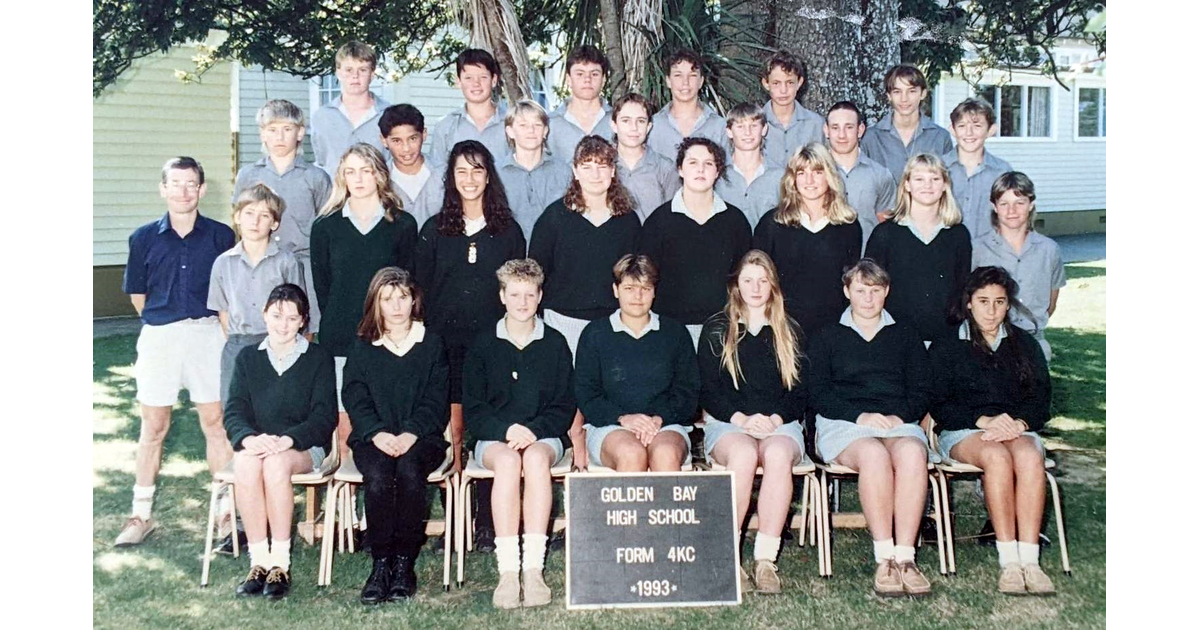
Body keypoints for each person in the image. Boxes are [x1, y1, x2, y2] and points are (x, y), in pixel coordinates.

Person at [116, 157, 236, 547]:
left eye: (191, 184)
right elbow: (138, 296)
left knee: (215, 424)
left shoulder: (221, 237)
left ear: (202, 190)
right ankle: (141, 515)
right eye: (176, 183)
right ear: (163, 188)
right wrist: (166, 323)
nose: (184, 191)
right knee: (153, 428)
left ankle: (225, 512)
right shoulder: (143, 238)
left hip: (206, 336)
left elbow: (227, 297)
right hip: (160, 338)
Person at [415, 140, 527, 549]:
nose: (469, 179)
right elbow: (420, 291)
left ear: (488, 176)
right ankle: (455, 520)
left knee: (486, 428)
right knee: (451, 433)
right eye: (461, 171)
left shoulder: (508, 232)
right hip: (445, 346)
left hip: (494, 348)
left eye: (477, 170)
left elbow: (519, 292)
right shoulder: (435, 230)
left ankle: (485, 523)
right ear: (451, 178)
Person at [807, 259, 935, 597]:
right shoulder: (826, 335)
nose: (868, 298)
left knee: (911, 452)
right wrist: (860, 417)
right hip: (844, 424)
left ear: (886, 292)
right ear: (847, 291)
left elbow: (921, 390)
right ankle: (885, 559)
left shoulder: (905, 335)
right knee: (874, 456)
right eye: (860, 290)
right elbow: (817, 392)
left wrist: (899, 416)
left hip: (896, 422)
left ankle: (906, 558)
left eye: (875, 291)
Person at [929, 266, 1055, 595]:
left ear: (1008, 305)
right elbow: (938, 403)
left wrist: (1020, 423)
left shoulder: (1024, 344)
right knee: (997, 458)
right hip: (963, 430)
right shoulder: (948, 344)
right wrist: (982, 420)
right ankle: (1009, 562)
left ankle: (1030, 560)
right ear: (968, 303)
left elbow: (1041, 399)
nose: (991, 309)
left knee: (1029, 456)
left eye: (999, 302)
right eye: (983, 301)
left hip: (1014, 429)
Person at [463, 259, 575, 609]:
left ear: (540, 296)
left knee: (537, 459)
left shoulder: (555, 343)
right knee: (510, 462)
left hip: (543, 435)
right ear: (502, 296)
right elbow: (474, 408)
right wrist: (506, 429)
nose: (522, 302)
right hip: (496, 439)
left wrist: (534, 431)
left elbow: (563, 404)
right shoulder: (483, 343)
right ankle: (509, 571)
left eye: (530, 294)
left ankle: (534, 569)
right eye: (515, 294)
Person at [698, 250, 808, 594]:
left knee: (776, 456)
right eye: (748, 280)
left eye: (763, 280)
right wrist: (741, 419)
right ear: (736, 285)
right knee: (744, 456)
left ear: (773, 284)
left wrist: (775, 418)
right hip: (729, 423)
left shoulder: (789, 329)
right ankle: (728, 557)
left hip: (781, 424)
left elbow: (802, 391)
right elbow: (708, 389)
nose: (756, 288)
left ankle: (765, 560)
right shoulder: (717, 328)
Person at [343, 268, 450, 603]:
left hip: (421, 439)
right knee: (377, 477)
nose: (396, 306)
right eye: (387, 299)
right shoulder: (363, 345)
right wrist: (375, 432)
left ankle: (404, 563)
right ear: (376, 303)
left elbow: (437, 398)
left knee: (407, 473)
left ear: (413, 298)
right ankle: (380, 564)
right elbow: (354, 396)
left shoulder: (430, 343)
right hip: (373, 438)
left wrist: (412, 433)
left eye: (402, 297)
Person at [224, 284, 336, 599]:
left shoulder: (317, 357)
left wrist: (289, 439)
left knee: (275, 466)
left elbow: (324, 416)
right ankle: (258, 562)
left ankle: (280, 564)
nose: (282, 324)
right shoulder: (248, 358)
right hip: (258, 444)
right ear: (264, 315)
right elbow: (234, 410)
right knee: (245, 464)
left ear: (303, 321)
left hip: (301, 445)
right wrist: (248, 439)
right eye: (276, 316)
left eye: (291, 318)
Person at [311, 143, 417, 457]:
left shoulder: (401, 224)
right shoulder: (326, 227)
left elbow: (409, 284)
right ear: (342, 177)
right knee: (346, 422)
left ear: (379, 174)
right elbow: (324, 288)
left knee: (387, 421)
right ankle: (347, 500)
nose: (358, 179)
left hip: (389, 338)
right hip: (342, 336)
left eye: (366, 171)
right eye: (350, 172)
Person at [574, 255, 699, 471]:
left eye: (645, 288)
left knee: (665, 454)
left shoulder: (675, 332)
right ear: (616, 290)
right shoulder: (595, 333)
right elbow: (587, 395)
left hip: (665, 425)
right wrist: (623, 418)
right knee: (632, 454)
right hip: (610, 426)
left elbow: (688, 391)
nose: (638, 296)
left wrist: (659, 419)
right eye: (629, 288)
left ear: (654, 291)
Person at [529, 135, 642, 358]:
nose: (595, 174)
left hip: (614, 320)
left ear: (612, 171)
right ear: (575, 171)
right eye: (587, 166)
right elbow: (537, 272)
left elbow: (635, 275)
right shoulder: (554, 217)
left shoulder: (628, 220)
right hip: (563, 320)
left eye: (602, 166)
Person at [640, 137, 752, 348]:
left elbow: (743, 278)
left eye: (708, 163)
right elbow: (646, 279)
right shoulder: (659, 221)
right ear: (680, 169)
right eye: (692, 162)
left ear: (717, 172)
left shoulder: (735, 221)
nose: (700, 169)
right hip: (670, 330)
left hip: (724, 329)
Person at [233, 99, 332, 332]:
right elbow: (240, 223)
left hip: (304, 266)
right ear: (262, 134)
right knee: (260, 331)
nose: (279, 137)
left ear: (300, 133)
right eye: (272, 130)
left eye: (287, 130)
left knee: (302, 332)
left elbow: (327, 230)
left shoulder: (316, 177)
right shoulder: (248, 175)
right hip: (261, 266)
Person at [209, 184, 305, 402]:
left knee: (277, 410)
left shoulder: (287, 262)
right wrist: (237, 338)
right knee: (236, 413)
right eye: (249, 214)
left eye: (264, 216)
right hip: (238, 346)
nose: (255, 221)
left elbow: (298, 309)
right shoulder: (223, 263)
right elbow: (222, 311)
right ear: (237, 217)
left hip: (277, 344)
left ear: (275, 223)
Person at [753, 143, 861, 337]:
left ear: (829, 175)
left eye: (817, 172)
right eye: (801, 172)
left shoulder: (848, 225)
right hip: (782, 329)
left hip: (833, 331)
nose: (809, 180)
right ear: (792, 179)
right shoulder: (772, 223)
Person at [866, 153, 971, 346]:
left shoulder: (958, 235)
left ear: (945, 185)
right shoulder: (885, 234)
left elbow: (962, 289)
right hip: (895, 341)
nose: (927, 185)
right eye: (919, 179)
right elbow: (870, 289)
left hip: (946, 340)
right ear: (907, 184)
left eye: (935, 179)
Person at [970, 172, 1065, 361]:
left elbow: (1050, 302)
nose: (1011, 210)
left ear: (1031, 204)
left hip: (1033, 342)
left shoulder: (1049, 249)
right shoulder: (977, 248)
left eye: (1019, 203)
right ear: (994, 207)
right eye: (1004, 204)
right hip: (987, 344)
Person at [860, 64, 954, 182]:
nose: (904, 99)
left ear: (923, 93)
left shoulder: (940, 137)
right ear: (889, 96)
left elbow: (947, 182)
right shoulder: (871, 137)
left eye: (911, 91)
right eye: (897, 92)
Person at [312, 41, 391, 177]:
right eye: (349, 70)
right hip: (334, 195)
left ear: (372, 74)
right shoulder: (322, 117)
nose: (355, 76)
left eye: (362, 70)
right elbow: (322, 164)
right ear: (338, 73)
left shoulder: (389, 114)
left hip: (378, 196)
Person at [824, 100, 896, 250]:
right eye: (835, 128)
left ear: (861, 129)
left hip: (867, 262)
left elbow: (885, 223)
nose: (842, 135)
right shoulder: (814, 175)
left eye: (849, 127)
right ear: (826, 130)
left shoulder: (880, 175)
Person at [497, 99, 573, 241]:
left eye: (537, 125)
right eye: (523, 125)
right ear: (510, 131)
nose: (531, 131)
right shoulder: (496, 173)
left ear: (545, 131)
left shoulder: (564, 172)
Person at [944, 98, 1013, 238]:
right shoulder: (938, 168)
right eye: (962, 126)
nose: (969, 133)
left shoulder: (1002, 171)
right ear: (952, 129)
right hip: (945, 253)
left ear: (991, 130)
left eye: (977, 126)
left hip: (989, 254)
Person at [429, 48, 510, 167]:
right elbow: (438, 172)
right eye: (468, 78)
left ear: (494, 80)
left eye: (483, 77)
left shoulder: (512, 123)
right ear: (458, 82)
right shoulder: (445, 126)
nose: (476, 83)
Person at [647, 49, 728, 161]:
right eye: (678, 75)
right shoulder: (653, 126)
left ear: (701, 81)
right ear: (668, 81)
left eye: (692, 75)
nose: (685, 82)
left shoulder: (719, 127)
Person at [611, 93, 681, 222]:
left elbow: (673, 216)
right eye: (626, 121)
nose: (634, 128)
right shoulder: (603, 166)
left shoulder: (665, 167)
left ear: (649, 127)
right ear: (614, 125)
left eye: (641, 121)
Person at [715, 102, 785, 226]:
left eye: (753, 126)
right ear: (729, 131)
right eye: (740, 126)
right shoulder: (717, 176)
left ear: (764, 129)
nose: (747, 132)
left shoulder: (780, 176)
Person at [547, 45, 614, 162]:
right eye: (580, 74)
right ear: (568, 79)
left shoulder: (619, 121)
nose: (587, 79)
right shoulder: (549, 124)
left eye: (594, 74)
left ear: (603, 80)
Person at [759, 52, 824, 168]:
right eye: (776, 83)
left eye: (789, 83)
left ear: (799, 83)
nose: (783, 90)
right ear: (766, 83)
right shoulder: (755, 125)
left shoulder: (816, 124)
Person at [379, 104, 439, 229]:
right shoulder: (379, 179)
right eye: (397, 141)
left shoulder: (443, 173)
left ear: (424, 134)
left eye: (412, 138)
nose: (406, 148)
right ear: (384, 140)